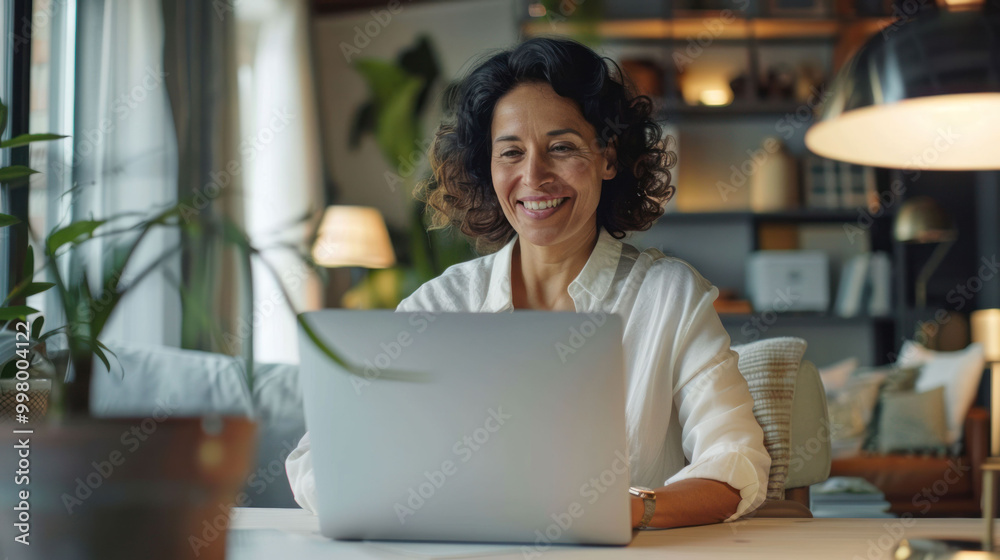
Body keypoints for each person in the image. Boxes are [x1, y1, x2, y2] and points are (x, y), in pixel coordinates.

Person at [286, 36, 771, 530]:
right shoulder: (440, 305)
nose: (534, 176)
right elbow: (315, 463)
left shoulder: (669, 297)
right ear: (489, 167)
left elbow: (735, 466)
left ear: (608, 157)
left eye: (561, 147)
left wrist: (632, 508)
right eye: (511, 152)